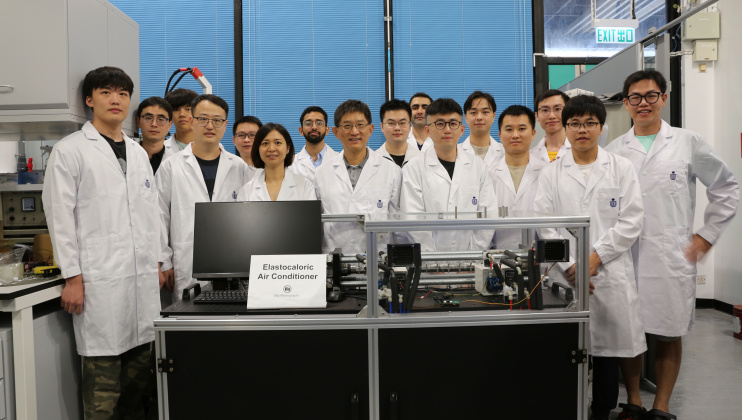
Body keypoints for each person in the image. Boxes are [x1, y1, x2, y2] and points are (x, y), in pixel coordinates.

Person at [605, 70, 739, 420]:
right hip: (626, 256)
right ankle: (633, 401)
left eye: (651, 96)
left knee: (669, 332)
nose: (643, 103)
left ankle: (661, 407)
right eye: (635, 97)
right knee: (629, 331)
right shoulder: (615, 151)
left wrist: (705, 236)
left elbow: (727, 187)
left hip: (670, 256)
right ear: (626, 103)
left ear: (663, 98)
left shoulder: (688, 142)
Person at [42, 66, 161, 419]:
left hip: (140, 285)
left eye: (123, 93)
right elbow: (59, 216)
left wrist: (156, 262)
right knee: (103, 392)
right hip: (98, 285)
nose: (116, 99)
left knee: (137, 389)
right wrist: (73, 277)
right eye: (107, 92)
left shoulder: (138, 153)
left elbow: (149, 214)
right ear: (90, 99)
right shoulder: (70, 151)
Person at [534, 95, 647, 420]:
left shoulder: (620, 168)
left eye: (589, 123)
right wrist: (573, 266)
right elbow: (546, 225)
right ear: (566, 127)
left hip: (609, 274)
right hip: (566, 276)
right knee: (571, 349)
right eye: (575, 124)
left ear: (601, 127)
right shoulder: (552, 174)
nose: (582, 130)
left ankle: (602, 410)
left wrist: (595, 259)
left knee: (608, 352)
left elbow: (632, 220)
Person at [157, 94, 250, 300]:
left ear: (225, 125)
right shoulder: (171, 166)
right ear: (192, 120)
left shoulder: (239, 167)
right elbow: (159, 216)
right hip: (185, 261)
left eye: (217, 120)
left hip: (232, 261)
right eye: (203, 119)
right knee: (188, 324)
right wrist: (165, 261)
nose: (210, 126)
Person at [400, 98, 497, 251]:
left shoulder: (478, 166)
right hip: (429, 263)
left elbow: (488, 215)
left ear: (462, 129)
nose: (447, 130)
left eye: (453, 123)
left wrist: (472, 257)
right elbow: (413, 219)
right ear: (427, 131)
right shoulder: (413, 168)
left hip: (472, 262)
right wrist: (432, 260)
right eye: (439, 124)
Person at [314, 99, 402, 254]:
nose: (354, 132)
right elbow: (316, 226)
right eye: (347, 126)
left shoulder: (391, 170)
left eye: (360, 125)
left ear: (371, 129)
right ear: (336, 132)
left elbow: (398, 224)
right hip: (336, 263)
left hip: (378, 261)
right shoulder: (322, 173)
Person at [489, 105, 546, 249]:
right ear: (500, 135)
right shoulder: (488, 174)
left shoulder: (547, 172)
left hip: (539, 260)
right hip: (498, 259)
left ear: (533, 133)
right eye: (509, 129)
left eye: (521, 129)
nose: (515, 135)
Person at [238, 123, 316, 201]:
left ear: (288, 148)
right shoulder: (246, 191)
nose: (271, 149)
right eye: (265, 143)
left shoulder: (305, 186)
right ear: (258, 149)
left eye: (278, 143)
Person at [291, 106, 338, 183]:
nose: (314, 127)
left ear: (327, 130)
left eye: (319, 123)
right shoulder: (291, 164)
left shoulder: (339, 159)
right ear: (301, 131)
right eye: (308, 123)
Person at [459, 91, 504, 171]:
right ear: (466, 117)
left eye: (485, 112)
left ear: (493, 116)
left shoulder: (505, 153)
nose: (479, 117)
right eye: (473, 112)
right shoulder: (456, 152)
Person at [136, 96, 175, 174]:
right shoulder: (128, 155)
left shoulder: (176, 162)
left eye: (160, 119)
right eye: (148, 118)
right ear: (138, 121)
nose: (154, 124)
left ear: (169, 125)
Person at [531, 89, 571, 164]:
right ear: (537, 116)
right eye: (545, 110)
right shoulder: (531, 156)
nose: (551, 116)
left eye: (558, 109)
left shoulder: (579, 152)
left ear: (568, 112)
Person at [376, 99, 420, 167]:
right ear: (382, 127)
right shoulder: (373, 160)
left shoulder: (421, 159)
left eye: (402, 123)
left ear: (409, 126)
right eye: (391, 123)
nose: (397, 128)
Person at [232, 115, 263, 179]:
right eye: (241, 135)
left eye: (252, 135)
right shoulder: (228, 169)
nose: (246, 140)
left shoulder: (270, 169)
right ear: (234, 140)